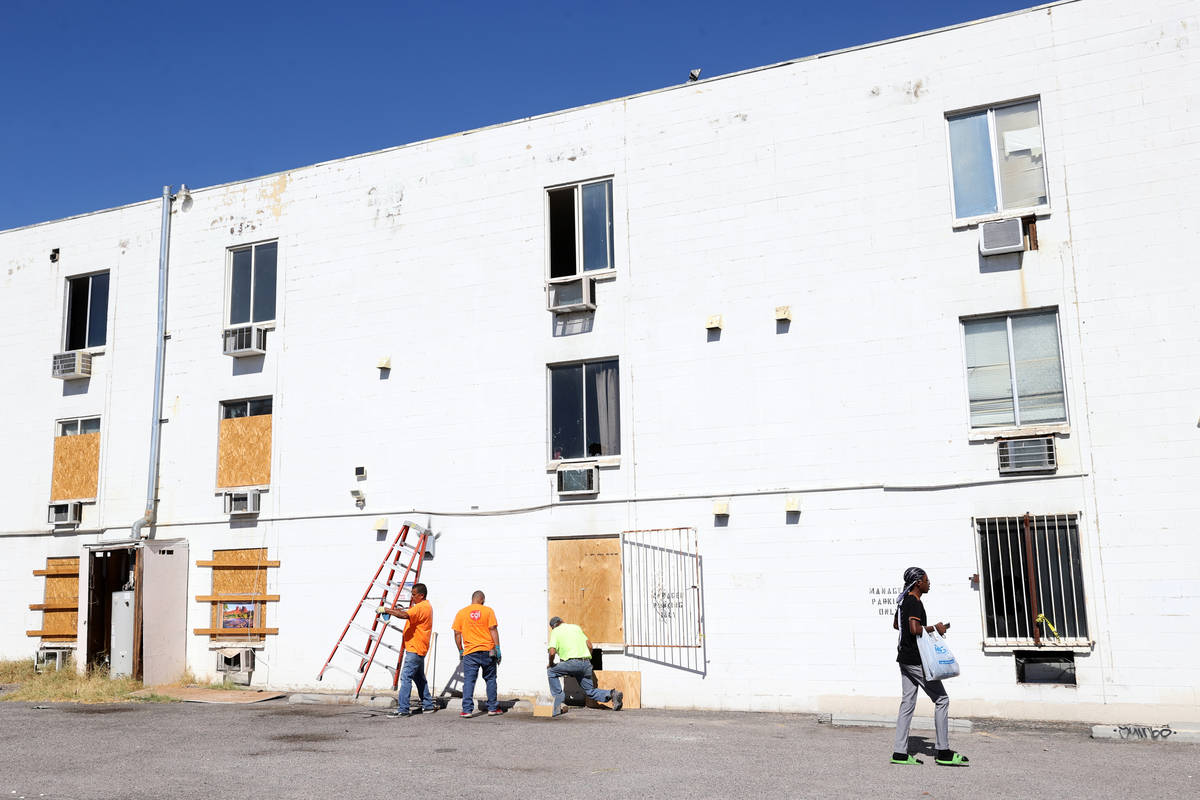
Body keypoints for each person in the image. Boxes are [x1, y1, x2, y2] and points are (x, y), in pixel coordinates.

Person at [890, 567, 969, 766]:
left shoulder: (903, 601)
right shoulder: (914, 603)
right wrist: (936, 628)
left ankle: (899, 753)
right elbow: (914, 629)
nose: (929, 582)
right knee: (942, 699)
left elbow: (897, 626)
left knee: (907, 703)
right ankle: (943, 752)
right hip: (916, 660)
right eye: (926, 579)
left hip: (904, 658)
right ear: (918, 583)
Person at [377, 582, 436, 717]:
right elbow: (407, 613)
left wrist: (386, 610)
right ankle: (427, 705)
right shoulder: (425, 606)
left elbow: (404, 615)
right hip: (419, 648)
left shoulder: (421, 607)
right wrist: (395, 610)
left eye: (414, 595)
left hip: (415, 648)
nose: (412, 597)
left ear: (421, 595)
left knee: (406, 677)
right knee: (419, 678)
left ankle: (403, 709)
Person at [546, 616, 622, 717]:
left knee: (551, 671)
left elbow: (552, 653)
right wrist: (586, 660)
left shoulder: (555, 631)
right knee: (589, 691)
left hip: (571, 663)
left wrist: (551, 664)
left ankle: (558, 704)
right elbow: (590, 645)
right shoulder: (576, 628)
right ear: (562, 621)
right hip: (586, 663)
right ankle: (612, 693)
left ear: (553, 627)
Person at [452, 590, 502, 717]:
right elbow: (493, 630)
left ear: (472, 599)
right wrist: (498, 648)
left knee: (469, 680)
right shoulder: (488, 611)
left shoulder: (461, 613)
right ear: (483, 600)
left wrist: (460, 650)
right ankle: (492, 708)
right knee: (490, 679)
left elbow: (457, 633)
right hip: (488, 651)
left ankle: (467, 710)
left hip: (470, 652)